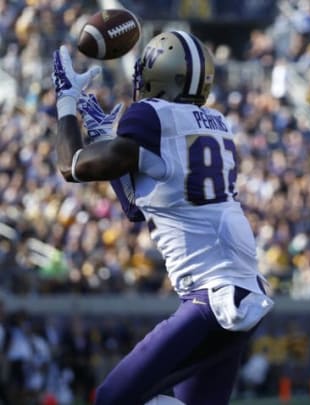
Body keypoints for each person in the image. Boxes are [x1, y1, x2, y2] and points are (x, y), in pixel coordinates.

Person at [52, 30, 273, 405]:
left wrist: (66, 103)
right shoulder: (218, 123)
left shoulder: (150, 117)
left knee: (112, 398)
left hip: (209, 301)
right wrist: (110, 139)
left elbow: (70, 166)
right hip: (243, 292)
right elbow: (138, 206)